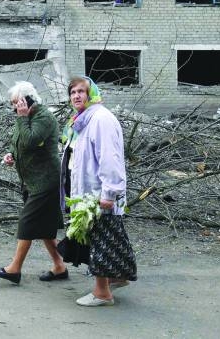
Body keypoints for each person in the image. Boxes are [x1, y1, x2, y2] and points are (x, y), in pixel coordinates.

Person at [60, 75, 138, 306]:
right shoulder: (82, 120)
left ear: (92, 94)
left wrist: (109, 193)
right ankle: (118, 276)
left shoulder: (100, 119)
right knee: (112, 238)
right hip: (87, 192)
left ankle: (102, 293)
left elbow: (110, 158)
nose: (76, 95)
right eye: (72, 92)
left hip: (98, 194)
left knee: (99, 242)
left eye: (81, 91)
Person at [0, 81, 67, 285]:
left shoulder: (44, 117)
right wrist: (11, 155)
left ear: (28, 99)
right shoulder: (24, 117)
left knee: (27, 222)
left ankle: (14, 269)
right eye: (13, 103)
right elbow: (19, 143)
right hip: (31, 180)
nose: (15, 107)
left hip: (45, 180)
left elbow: (31, 140)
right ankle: (60, 266)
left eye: (17, 102)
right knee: (43, 227)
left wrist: (22, 118)